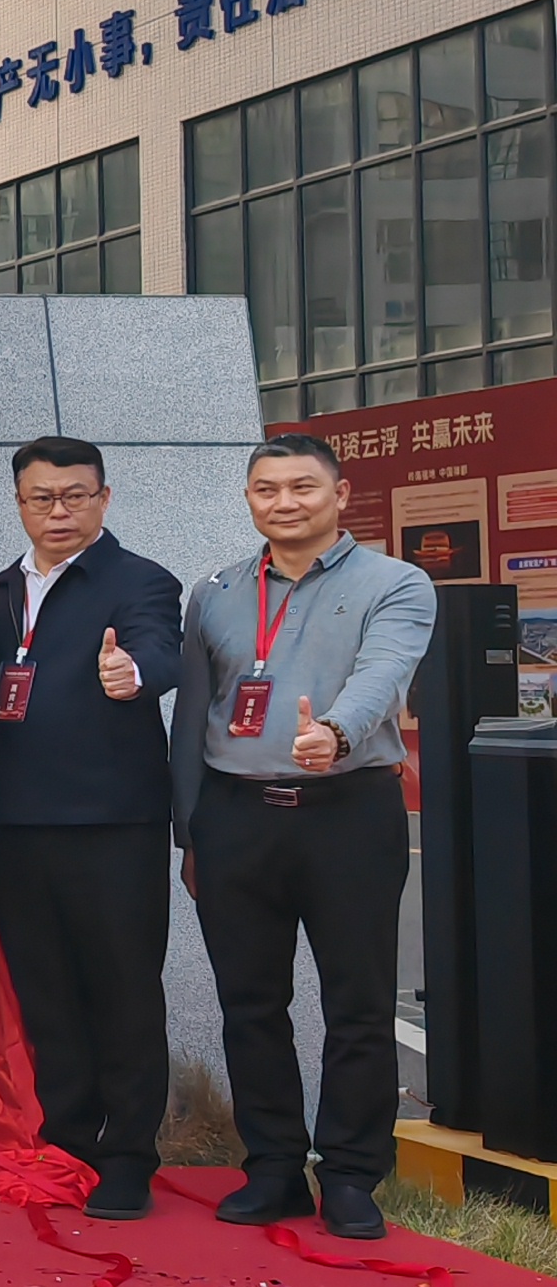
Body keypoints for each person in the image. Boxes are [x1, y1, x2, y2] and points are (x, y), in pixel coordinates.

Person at [176, 433, 436, 1241]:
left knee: (357, 1003)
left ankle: (352, 1175)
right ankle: (274, 1168)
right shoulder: (216, 592)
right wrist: (191, 831)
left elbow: (382, 673)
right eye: (267, 489)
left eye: (302, 487)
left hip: (347, 812)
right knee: (250, 1003)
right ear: (249, 498)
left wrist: (335, 731)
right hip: (236, 817)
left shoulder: (396, 583)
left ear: (340, 494)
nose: (284, 502)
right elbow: (194, 717)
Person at [0, 436, 188, 1220]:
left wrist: (134, 674)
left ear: (103, 498)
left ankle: (128, 1157)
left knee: (124, 993)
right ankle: (68, 1142)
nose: (58, 511)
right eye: (42, 498)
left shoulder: (140, 581)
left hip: (112, 825)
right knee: (47, 994)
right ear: (19, 503)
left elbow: (161, 649)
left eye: (74, 496)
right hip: (15, 827)